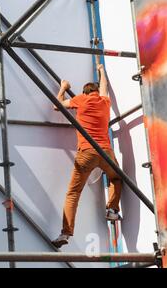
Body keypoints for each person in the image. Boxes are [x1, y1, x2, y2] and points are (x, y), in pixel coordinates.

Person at [52, 64, 123, 248]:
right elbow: (105, 86)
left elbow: (57, 105)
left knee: (73, 193)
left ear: (84, 92)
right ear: (97, 91)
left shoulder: (81, 100)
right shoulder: (104, 101)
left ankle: (66, 233)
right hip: (106, 153)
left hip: (86, 153)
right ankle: (113, 209)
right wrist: (101, 70)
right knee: (116, 178)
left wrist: (63, 88)